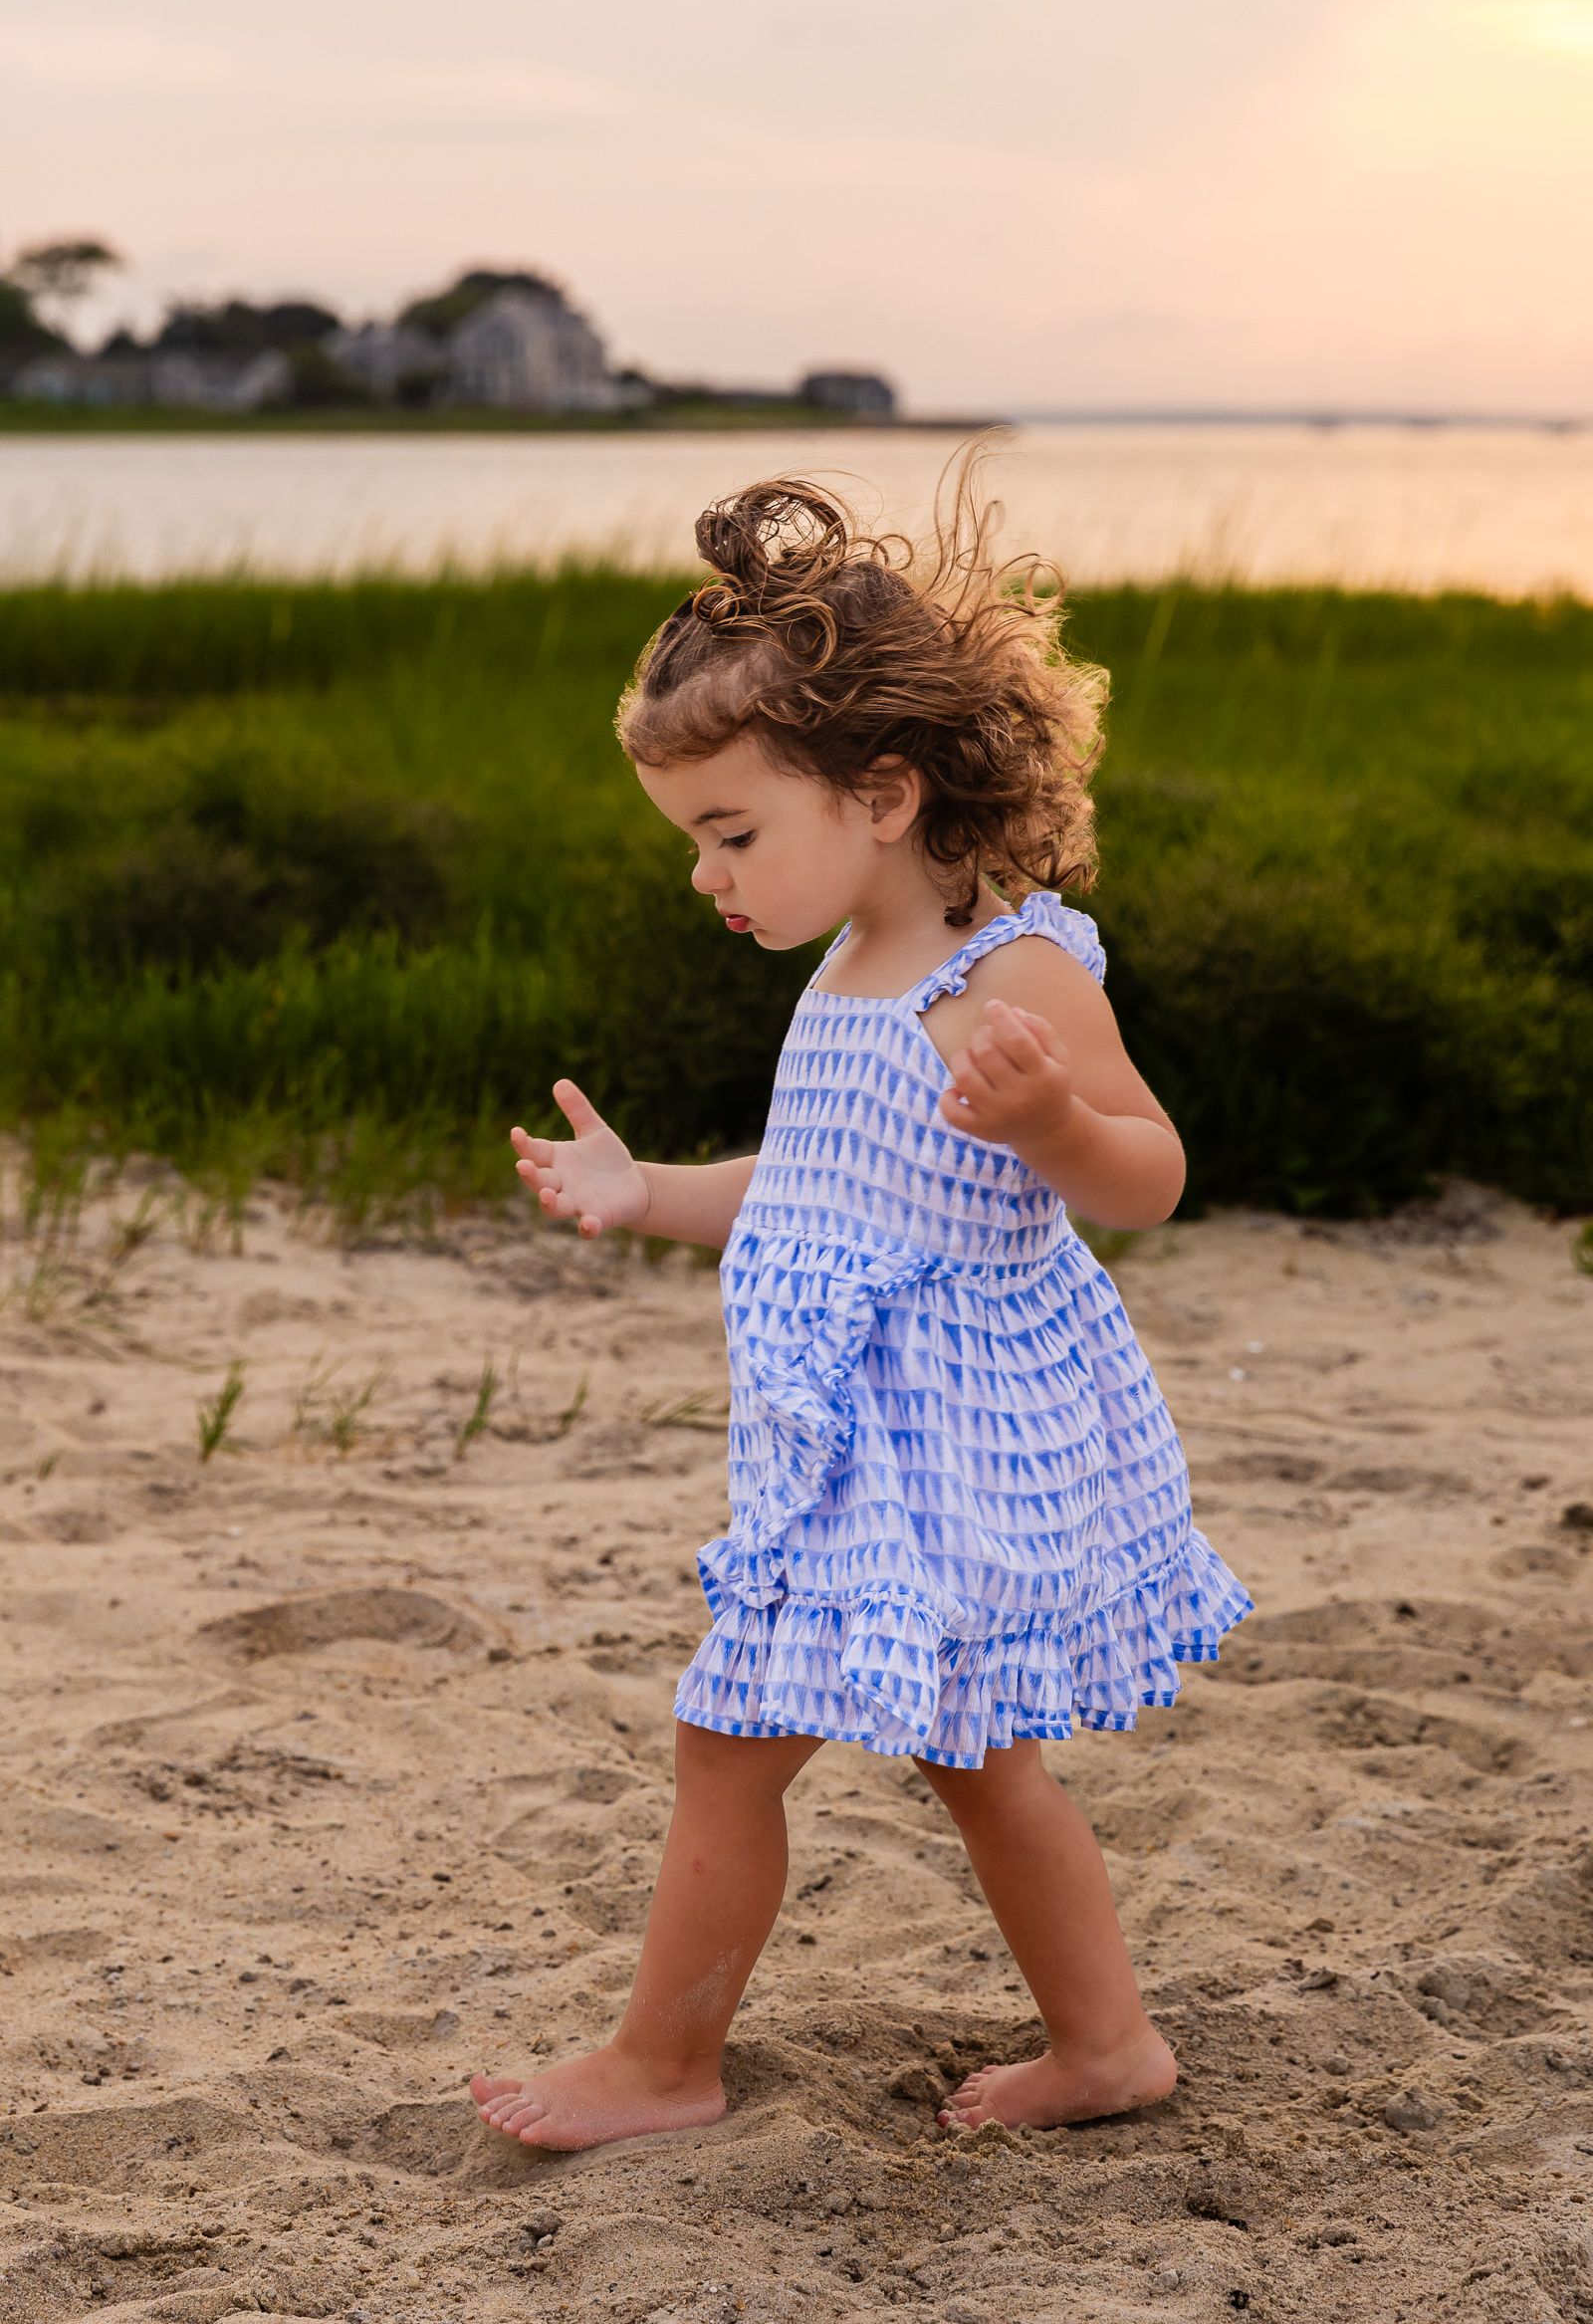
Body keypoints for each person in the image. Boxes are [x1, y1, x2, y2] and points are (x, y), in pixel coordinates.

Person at [470, 447, 1252, 2154]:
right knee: (978, 1760)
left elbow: (1152, 1171)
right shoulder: (845, 967)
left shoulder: (1008, 968)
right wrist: (647, 1190)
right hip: (861, 1449)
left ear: (883, 795)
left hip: (951, 1443)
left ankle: (666, 2066)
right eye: (696, 841)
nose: (708, 876)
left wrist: (1051, 1122)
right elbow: (821, 1183)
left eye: (732, 832)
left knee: (727, 1737)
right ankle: (1107, 2049)